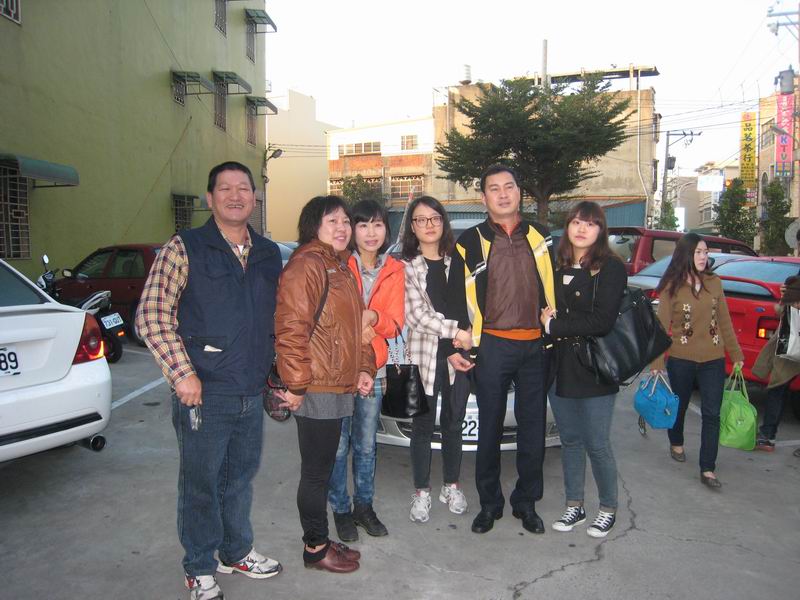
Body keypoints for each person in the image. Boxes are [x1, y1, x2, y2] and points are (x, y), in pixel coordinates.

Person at [136, 162, 283, 600]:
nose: (235, 195)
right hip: (204, 391)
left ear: (255, 197)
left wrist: (279, 375)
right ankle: (199, 567)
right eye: (225, 188)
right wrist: (182, 373)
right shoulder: (185, 247)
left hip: (250, 388)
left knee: (239, 478)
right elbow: (151, 315)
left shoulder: (267, 253)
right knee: (201, 484)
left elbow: (277, 319)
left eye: (244, 188)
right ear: (209, 198)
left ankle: (235, 551)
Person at [445, 164, 557, 535]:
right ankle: (489, 504)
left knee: (532, 430)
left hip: (535, 347)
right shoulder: (469, 241)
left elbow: (557, 284)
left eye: (509, 186)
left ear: (519, 192)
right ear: (484, 198)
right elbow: (457, 296)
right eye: (494, 188)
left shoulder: (541, 236)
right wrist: (457, 343)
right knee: (489, 428)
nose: (503, 194)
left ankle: (526, 502)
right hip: (491, 346)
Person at [274, 195, 376, 574]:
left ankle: (319, 537)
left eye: (346, 221)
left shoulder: (339, 266)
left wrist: (364, 367)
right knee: (317, 473)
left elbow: (356, 328)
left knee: (323, 468)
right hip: (316, 385)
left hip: (335, 384)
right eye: (332, 220)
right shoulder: (307, 265)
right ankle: (315, 548)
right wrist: (297, 385)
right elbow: (291, 329)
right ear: (313, 226)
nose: (342, 227)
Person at [539, 202, 627, 538]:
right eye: (576, 222)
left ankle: (608, 508)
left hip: (595, 368)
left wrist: (554, 325)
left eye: (590, 224)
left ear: (600, 230)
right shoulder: (556, 265)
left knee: (597, 442)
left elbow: (602, 321)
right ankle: (574, 505)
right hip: (560, 367)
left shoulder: (610, 268)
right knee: (570, 440)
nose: (581, 229)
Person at [328, 200, 405, 541]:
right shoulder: (339, 265)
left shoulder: (395, 269)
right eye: (363, 225)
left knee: (366, 445)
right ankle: (340, 509)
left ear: (386, 229)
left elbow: (395, 323)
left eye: (377, 225)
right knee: (337, 445)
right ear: (352, 230)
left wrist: (372, 318)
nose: (370, 233)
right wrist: (359, 326)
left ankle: (364, 506)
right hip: (338, 369)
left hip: (375, 369)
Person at [650, 233, 744, 490]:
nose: (704, 257)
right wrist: (657, 363)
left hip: (713, 359)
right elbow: (661, 327)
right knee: (679, 407)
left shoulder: (715, 282)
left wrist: (736, 354)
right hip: (681, 358)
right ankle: (676, 441)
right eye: (698, 252)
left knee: (712, 413)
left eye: (705, 252)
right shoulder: (672, 286)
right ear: (686, 255)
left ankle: (707, 468)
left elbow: (724, 321)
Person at [401, 196, 473, 524]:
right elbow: (416, 316)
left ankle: (451, 486)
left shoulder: (458, 262)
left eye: (435, 218)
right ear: (412, 227)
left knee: (454, 423)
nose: (429, 225)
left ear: (443, 222)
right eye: (421, 219)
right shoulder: (406, 268)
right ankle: (421, 491)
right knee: (422, 427)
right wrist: (457, 333)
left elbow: (470, 306)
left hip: (458, 356)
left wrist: (464, 340)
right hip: (421, 358)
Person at [752, 276, 800, 452]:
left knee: (777, 389)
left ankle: (767, 436)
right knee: (778, 389)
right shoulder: (794, 280)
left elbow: (781, 310)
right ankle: (767, 436)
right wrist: (786, 295)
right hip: (791, 344)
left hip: (791, 345)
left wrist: (787, 297)